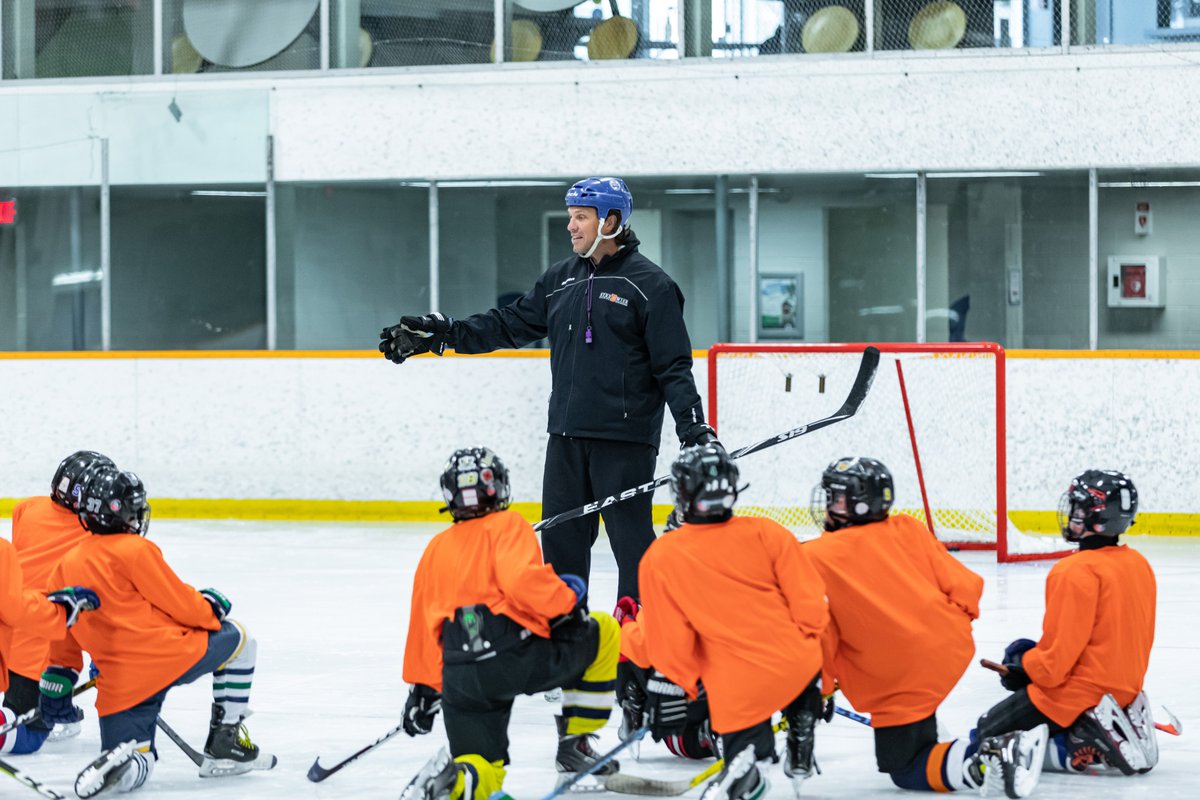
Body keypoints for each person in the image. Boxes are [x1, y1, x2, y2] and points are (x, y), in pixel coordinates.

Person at [379, 177, 717, 601]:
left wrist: (694, 430)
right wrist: (444, 335)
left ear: (610, 220)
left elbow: (673, 368)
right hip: (566, 438)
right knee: (560, 548)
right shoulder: (561, 279)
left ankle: (639, 644)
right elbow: (506, 324)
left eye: (581, 217)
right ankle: (565, 640)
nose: (571, 226)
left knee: (632, 546)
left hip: (624, 440)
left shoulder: (651, 286)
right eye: (570, 217)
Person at [804, 456, 1047, 798]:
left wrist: (822, 689)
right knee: (917, 716)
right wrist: (947, 628)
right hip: (952, 648)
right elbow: (967, 587)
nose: (829, 505)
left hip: (897, 677)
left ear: (859, 503)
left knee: (903, 767)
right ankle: (929, 734)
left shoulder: (815, 557)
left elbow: (821, 635)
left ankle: (988, 758)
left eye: (837, 498)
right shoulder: (907, 526)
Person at [400, 447, 621, 800]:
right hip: (511, 657)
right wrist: (567, 605)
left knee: (481, 764)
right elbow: (523, 584)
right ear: (499, 487)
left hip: (459, 672)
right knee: (605, 630)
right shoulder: (509, 524)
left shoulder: (435, 548)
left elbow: (424, 625)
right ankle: (575, 744)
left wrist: (423, 689)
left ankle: (452, 783)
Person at [49, 465, 275, 798]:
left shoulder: (65, 564)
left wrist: (56, 683)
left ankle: (124, 767)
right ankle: (224, 741)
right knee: (240, 638)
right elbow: (183, 606)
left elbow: (60, 633)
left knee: (140, 757)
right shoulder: (136, 550)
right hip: (168, 657)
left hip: (119, 684)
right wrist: (211, 608)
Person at [636, 443, 828, 800]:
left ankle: (746, 768)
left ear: (682, 493)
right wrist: (816, 668)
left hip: (736, 687)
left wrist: (676, 690)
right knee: (806, 659)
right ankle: (804, 707)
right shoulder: (768, 532)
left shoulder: (660, 556)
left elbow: (671, 644)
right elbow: (812, 610)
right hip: (796, 665)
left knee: (742, 759)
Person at [976, 469, 1158, 777]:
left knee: (984, 738)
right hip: (1124, 695)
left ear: (1098, 518)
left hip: (1081, 697)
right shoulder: (1139, 564)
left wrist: (1023, 664)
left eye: (1080, 509)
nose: (1073, 515)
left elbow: (1053, 668)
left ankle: (1073, 748)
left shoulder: (1074, 571)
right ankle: (1100, 732)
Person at [5, 450, 110, 744]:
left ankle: (50, 694)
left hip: (10, 609)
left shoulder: (26, 508)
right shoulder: (97, 536)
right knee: (26, 736)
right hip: (33, 638)